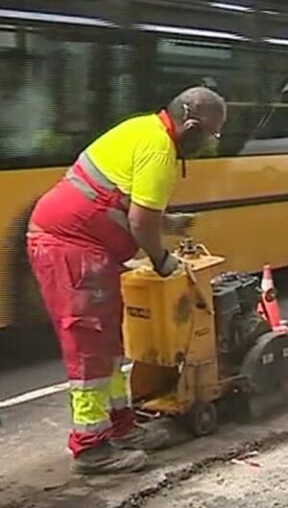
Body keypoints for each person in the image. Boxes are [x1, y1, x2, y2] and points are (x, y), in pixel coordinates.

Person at [25, 86, 227, 474]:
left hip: (83, 246)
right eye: (210, 135)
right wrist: (162, 259)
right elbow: (138, 221)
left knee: (111, 344)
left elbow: (121, 203)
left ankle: (121, 428)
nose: (208, 146)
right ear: (190, 126)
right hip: (69, 248)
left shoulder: (144, 129)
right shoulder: (159, 151)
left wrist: (165, 223)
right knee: (89, 348)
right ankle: (91, 449)